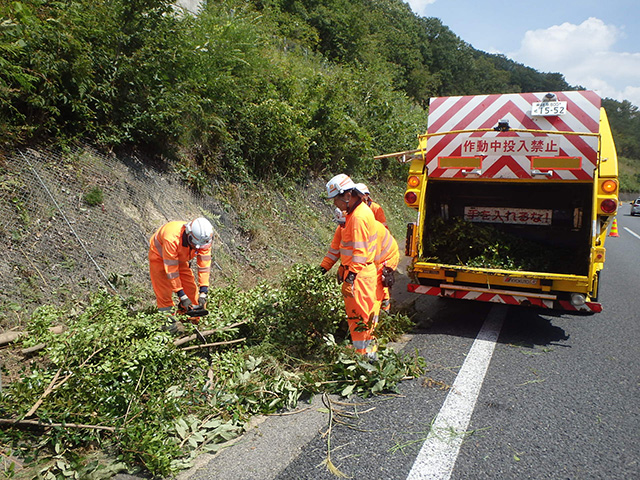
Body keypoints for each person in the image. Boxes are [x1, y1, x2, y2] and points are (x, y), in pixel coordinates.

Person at [325, 174, 381, 359]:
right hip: (360, 273)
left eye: (335, 200)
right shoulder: (354, 215)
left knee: (361, 317)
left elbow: (360, 253)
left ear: (347, 195)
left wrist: (350, 279)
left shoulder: (357, 218)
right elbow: (341, 248)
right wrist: (325, 267)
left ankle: (367, 357)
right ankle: (362, 352)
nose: (335, 204)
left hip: (360, 276)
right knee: (358, 316)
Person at [148, 217, 213, 327]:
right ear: (189, 235)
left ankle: (190, 321)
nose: (198, 249)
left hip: (180, 258)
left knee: (191, 291)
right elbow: (171, 271)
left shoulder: (204, 240)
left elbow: (204, 267)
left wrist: (203, 291)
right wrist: (181, 294)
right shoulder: (172, 238)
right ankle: (169, 327)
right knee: (164, 295)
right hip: (160, 257)